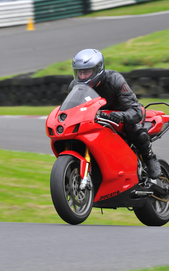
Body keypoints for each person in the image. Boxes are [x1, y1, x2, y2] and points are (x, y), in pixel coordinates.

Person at [68, 48, 161, 179]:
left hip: (123, 116)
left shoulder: (114, 80)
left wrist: (121, 116)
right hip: (95, 120)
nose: (82, 77)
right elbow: (71, 111)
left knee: (135, 130)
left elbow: (135, 110)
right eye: (79, 73)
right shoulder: (74, 86)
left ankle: (149, 157)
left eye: (86, 72)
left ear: (98, 69)